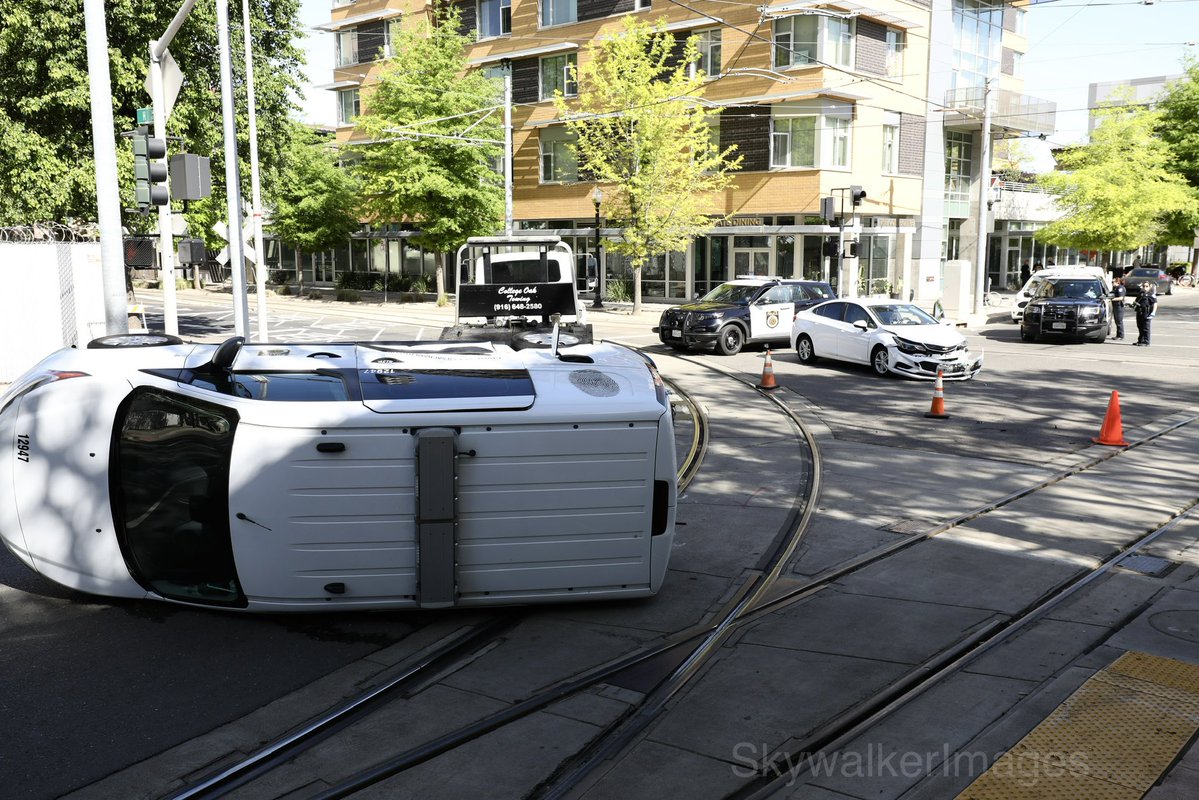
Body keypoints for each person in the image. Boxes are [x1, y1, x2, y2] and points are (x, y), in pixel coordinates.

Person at [1110, 274, 1127, 340]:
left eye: (1113, 282)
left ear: (1117, 282)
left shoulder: (1120, 288)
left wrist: (1111, 299)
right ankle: (1118, 335)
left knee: (1119, 321)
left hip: (1119, 307)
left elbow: (1121, 297)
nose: (1112, 283)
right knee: (1117, 321)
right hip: (1116, 306)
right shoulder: (1116, 288)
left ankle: (1121, 335)